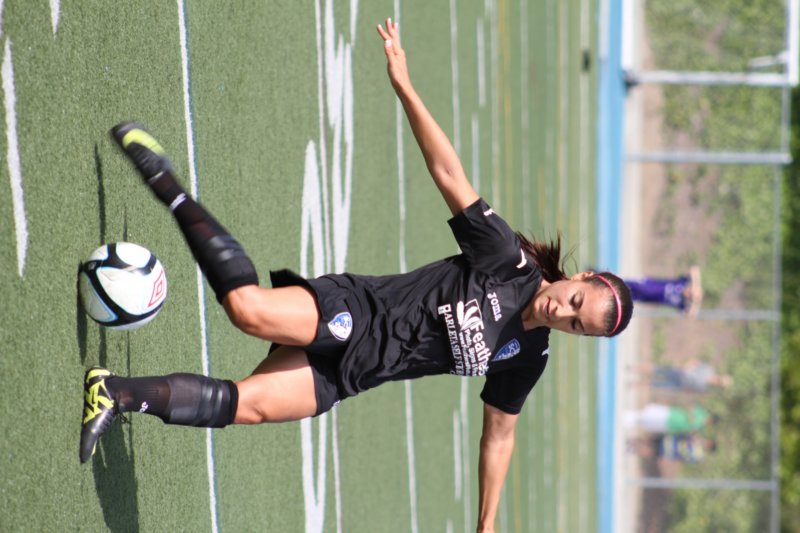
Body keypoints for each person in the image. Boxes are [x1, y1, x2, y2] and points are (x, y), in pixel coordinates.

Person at [79, 18, 633, 532]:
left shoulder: (527, 357)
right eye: (576, 301)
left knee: (245, 406)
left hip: (354, 373)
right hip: (356, 311)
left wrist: (486, 524)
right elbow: (449, 173)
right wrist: (405, 86)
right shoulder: (506, 261)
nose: (564, 313)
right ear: (579, 277)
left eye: (576, 325)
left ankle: (111, 393)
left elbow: (500, 435)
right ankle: (167, 185)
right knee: (248, 311)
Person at [624, 265, 703, 316]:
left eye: (690, 296)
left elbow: (690, 314)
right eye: (690, 291)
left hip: (646, 298)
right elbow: (694, 269)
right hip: (647, 285)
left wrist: (696, 303)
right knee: (623, 284)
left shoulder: (680, 302)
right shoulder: (682, 282)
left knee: (625, 297)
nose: (689, 293)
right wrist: (696, 284)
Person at [629, 359, 733, 393]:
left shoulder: (706, 388)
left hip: (680, 384)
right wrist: (686, 366)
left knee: (657, 384)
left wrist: (683, 390)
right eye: (720, 380)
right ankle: (634, 368)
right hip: (680, 373)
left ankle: (635, 385)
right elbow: (695, 362)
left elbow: (692, 391)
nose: (718, 382)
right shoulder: (709, 369)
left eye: (720, 384)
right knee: (657, 370)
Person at [623, 403, 717, 435]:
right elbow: (690, 409)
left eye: (711, 423)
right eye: (711, 420)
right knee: (652, 415)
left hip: (672, 426)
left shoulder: (700, 427)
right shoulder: (701, 412)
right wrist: (691, 417)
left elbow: (690, 431)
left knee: (651, 425)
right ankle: (632, 415)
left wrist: (692, 431)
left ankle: (634, 422)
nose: (709, 422)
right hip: (673, 415)